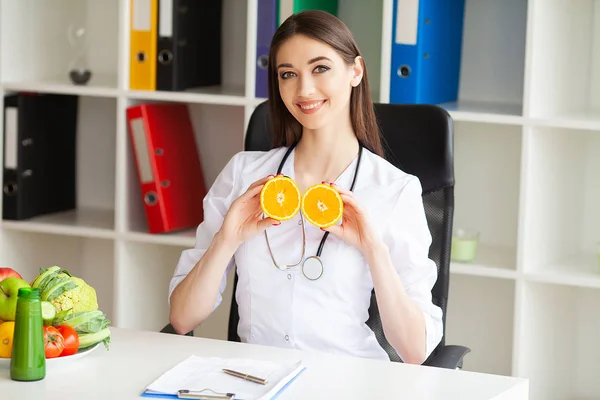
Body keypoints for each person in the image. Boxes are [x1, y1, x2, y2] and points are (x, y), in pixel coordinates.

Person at [168, 10, 443, 365]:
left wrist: (374, 249)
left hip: (346, 382)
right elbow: (182, 318)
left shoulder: (394, 189)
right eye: (288, 74)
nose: (304, 89)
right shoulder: (243, 175)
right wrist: (226, 239)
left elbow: (416, 351)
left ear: (355, 71)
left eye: (320, 68)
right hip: (256, 380)